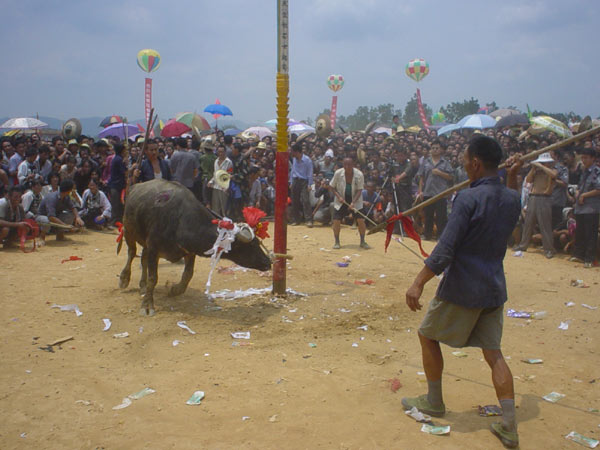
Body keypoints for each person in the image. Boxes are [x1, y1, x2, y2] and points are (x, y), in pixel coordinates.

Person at [402, 135, 522, 448]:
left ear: (476, 163)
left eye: (465, 160)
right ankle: (509, 426)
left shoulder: (467, 199)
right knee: (493, 354)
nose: (463, 165)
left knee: (427, 335)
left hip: (463, 287)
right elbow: (511, 200)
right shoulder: (511, 198)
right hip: (494, 286)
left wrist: (418, 282)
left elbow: (445, 250)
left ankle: (433, 400)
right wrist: (511, 176)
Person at [514, 152, 557, 258]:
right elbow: (528, 180)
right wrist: (533, 169)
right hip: (533, 197)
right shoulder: (536, 172)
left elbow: (553, 175)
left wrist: (541, 166)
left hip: (544, 198)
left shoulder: (553, 170)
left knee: (545, 225)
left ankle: (549, 249)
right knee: (528, 223)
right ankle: (523, 245)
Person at [328, 157, 370, 249]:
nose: (347, 167)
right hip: (341, 199)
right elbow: (331, 187)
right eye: (345, 165)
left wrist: (353, 202)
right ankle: (337, 241)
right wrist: (339, 197)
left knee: (361, 220)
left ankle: (362, 241)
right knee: (336, 220)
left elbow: (359, 190)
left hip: (356, 199)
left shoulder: (359, 174)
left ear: (353, 165)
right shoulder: (338, 173)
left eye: (349, 165)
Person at [417, 140, 454, 240]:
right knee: (428, 215)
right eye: (433, 148)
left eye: (437, 148)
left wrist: (439, 173)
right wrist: (420, 191)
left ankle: (440, 236)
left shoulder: (445, 163)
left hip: (441, 193)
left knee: (441, 216)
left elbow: (450, 177)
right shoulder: (426, 162)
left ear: (441, 150)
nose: (435, 150)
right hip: (428, 192)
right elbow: (421, 177)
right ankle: (427, 234)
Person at [570, 147, 600, 268]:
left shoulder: (597, 171)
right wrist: (578, 192)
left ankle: (590, 258)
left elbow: (598, 189)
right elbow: (580, 186)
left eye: (586, 158)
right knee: (580, 231)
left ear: (593, 158)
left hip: (591, 207)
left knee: (590, 233)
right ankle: (579, 255)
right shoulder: (584, 171)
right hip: (581, 207)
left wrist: (584, 195)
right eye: (582, 157)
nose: (583, 160)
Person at [290, 143, 314, 227]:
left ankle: (309, 220)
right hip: (295, 180)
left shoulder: (307, 160)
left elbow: (310, 173)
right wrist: (291, 182)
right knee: (294, 201)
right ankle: (296, 220)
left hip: (304, 181)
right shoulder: (294, 159)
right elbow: (293, 170)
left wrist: (309, 184)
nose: (291, 153)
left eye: (292, 151)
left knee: (305, 200)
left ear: (297, 152)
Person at [107, 143, 128, 225]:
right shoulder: (119, 159)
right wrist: (132, 167)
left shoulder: (118, 158)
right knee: (116, 205)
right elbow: (124, 172)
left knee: (118, 205)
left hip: (117, 185)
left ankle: (117, 222)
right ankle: (112, 222)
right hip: (115, 186)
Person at [209, 145, 232, 216]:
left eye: (222, 152)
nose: (220, 154)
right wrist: (211, 181)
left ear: (225, 152)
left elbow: (229, 175)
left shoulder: (229, 162)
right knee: (215, 207)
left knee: (223, 207)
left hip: (223, 187)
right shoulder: (216, 161)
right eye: (219, 152)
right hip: (215, 186)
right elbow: (215, 173)